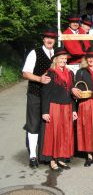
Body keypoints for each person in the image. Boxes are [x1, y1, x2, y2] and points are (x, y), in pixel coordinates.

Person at [22, 28, 56, 168]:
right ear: (43, 39)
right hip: (35, 93)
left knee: (49, 124)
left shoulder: (56, 54)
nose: (49, 40)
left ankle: (47, 153)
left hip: (52, 95)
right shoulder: (34, 52)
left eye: (52, 38)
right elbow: (25, 73)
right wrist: (39, 79)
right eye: (47, 37)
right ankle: (33, 156)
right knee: (34, 123)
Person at [41, 47, 77, 172]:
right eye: (61, 58)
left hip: (67, 107)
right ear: (55, 60)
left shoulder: (70, 73)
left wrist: (73, 110)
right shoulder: (50, 73)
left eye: (65, 58)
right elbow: (45, 93)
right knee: (54, 133)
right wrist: (45, 111)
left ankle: (61, 158)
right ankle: (52, 159)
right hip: (54, 107)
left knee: (65, 133)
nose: (64, 60)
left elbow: (72, 93)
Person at [72, 47, 93, 169]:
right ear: (86, 59)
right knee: (86, 129)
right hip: (85, 104)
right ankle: (89, 156)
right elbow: (75, 90)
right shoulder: (80, 71)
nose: (91, 59)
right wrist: (75, 91)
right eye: (89, 57)